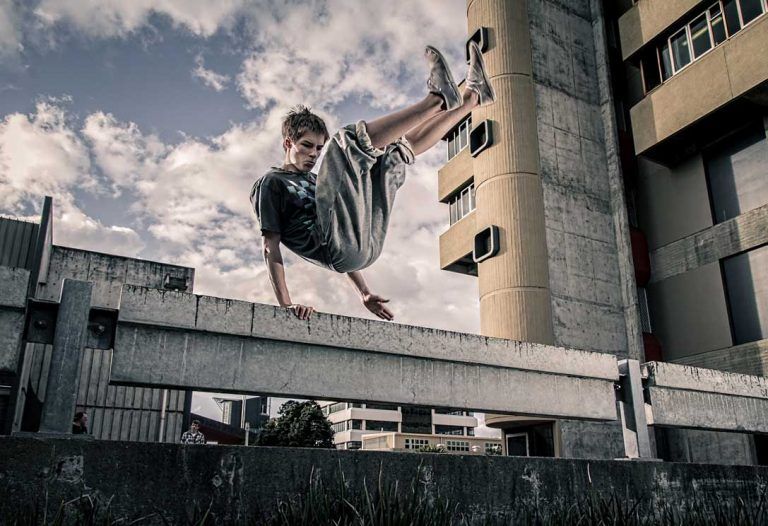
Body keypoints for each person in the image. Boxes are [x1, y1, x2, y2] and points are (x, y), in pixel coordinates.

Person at [251, 42, 495, 321]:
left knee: (394, 153)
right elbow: (271, 246)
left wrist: (364, 293)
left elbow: (342, 224)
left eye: (319, 149)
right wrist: (286, 305)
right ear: (288, 143)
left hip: (364, 246)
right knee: (347, 143)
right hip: (335, 248)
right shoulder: (271, 183)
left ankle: (474, 97)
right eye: (307, 146)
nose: (314, 155)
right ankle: (437, 99)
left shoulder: (320, 183)